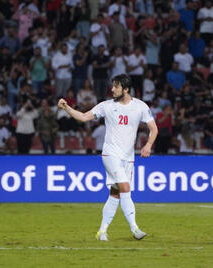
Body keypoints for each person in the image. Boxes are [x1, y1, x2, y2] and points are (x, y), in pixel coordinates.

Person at [57, 74, 158, 241]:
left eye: (116, 87)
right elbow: (83, 117)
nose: (112, 89)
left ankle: (102, 231)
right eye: (112, 86)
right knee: (125, 188)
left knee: (115, 194)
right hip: (110, 154)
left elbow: (154, 129)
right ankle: (135, 229)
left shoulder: (140, 106)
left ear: (125, 89)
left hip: (128, 157)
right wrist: (66, 108)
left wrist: (148, 145)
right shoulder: (106, 106)